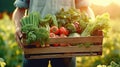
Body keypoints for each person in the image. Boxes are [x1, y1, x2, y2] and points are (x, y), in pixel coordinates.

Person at [12, 0, 95, 67]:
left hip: (66, 45)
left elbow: (85, 8)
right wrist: (18, 27)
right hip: (35, 44)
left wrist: (93, 24)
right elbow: (19, 9)